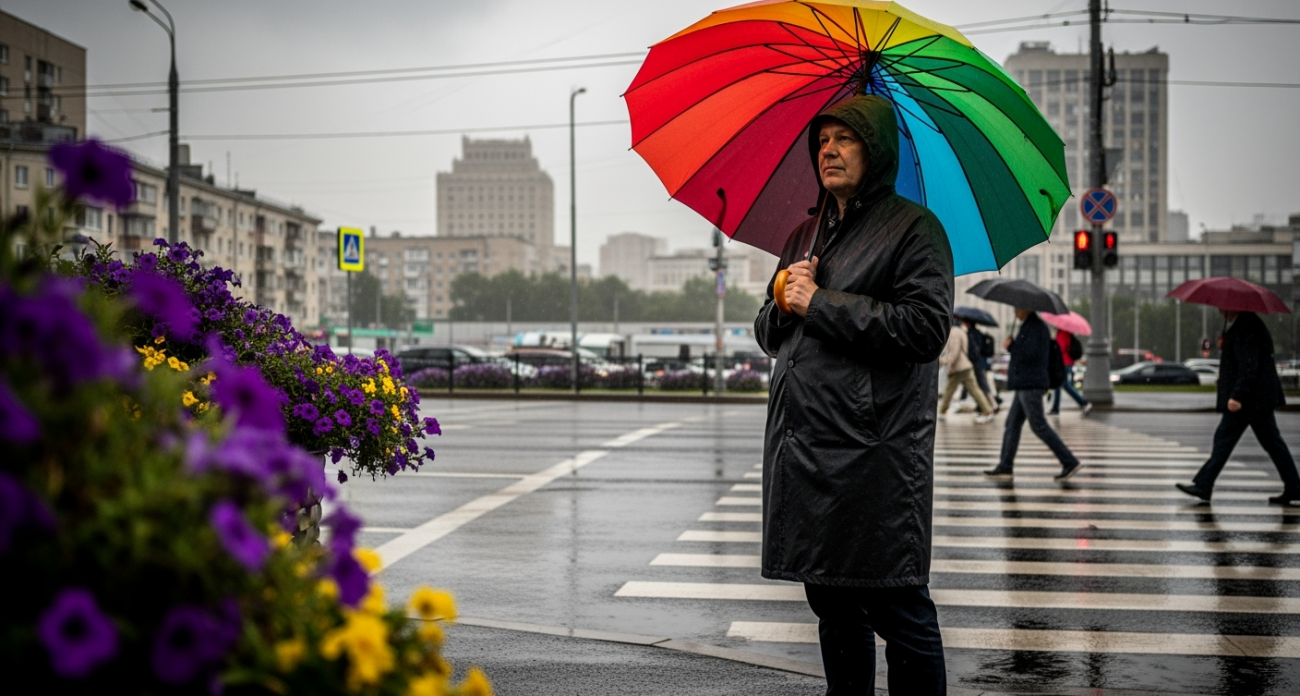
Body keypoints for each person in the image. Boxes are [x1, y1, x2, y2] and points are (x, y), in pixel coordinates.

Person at [755, 94, 952, 696]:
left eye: (845, 139)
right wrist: (784, 299)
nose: (829, 151)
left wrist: (818, 302)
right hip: (808, 450)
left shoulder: (915, 230)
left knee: (898, 608)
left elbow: (924, 328)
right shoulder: (803, 235)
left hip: (875, 455)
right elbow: (767, 332)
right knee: (833, 605)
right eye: (822, 142)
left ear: (877, 150)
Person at [1176, 310, 1300, 505]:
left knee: (1225, 441)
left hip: (1249, 401)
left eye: (1222, 306)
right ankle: (1294, 486)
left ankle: (1204, 484)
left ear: (1232, 307)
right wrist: (1225, 345)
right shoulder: (1244, 326)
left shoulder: (1246, 327)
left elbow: (1249, 365)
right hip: (1256, 399)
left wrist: (1237, 396)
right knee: (1272, 444)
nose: (1219, 310)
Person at [983, 308, 1082, 481]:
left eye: (1017, 309)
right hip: (1025, 384)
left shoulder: (1035, 328)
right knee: (1012, 424)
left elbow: (1030, 354)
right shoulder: (1030, 327)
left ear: (1026, 309)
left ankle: (1069, 461)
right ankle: (1005, 466)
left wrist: (1011, 345)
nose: (1015, 313)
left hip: (1031, 385)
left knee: (1039, 426)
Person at [939, 319, 995, 423]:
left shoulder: (954, 332)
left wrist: (948, 362)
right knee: (974, 390)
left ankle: (942, 411)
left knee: (950, 390)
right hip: (965, 365)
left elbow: (955, 351)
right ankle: (987, 410)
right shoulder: (961, 331)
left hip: (959, 367)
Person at [1049, 328, 1091, 416]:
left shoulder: (1062, 333)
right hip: (1067, 362)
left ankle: (1084, 403)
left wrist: (1053, 345)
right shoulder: (1066, 333)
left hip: (1064, 363)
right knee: (1060, 385)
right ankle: (1055, 408)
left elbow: (1060, 349)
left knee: (1064, 385)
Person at [965, 319, 1000, 410]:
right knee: (978, 384)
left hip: (975, 363)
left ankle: (992, 404)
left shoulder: (970, 334)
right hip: (980, 362)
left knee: (981, 384)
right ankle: (985, 405)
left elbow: (971, 351)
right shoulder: (979, 333)